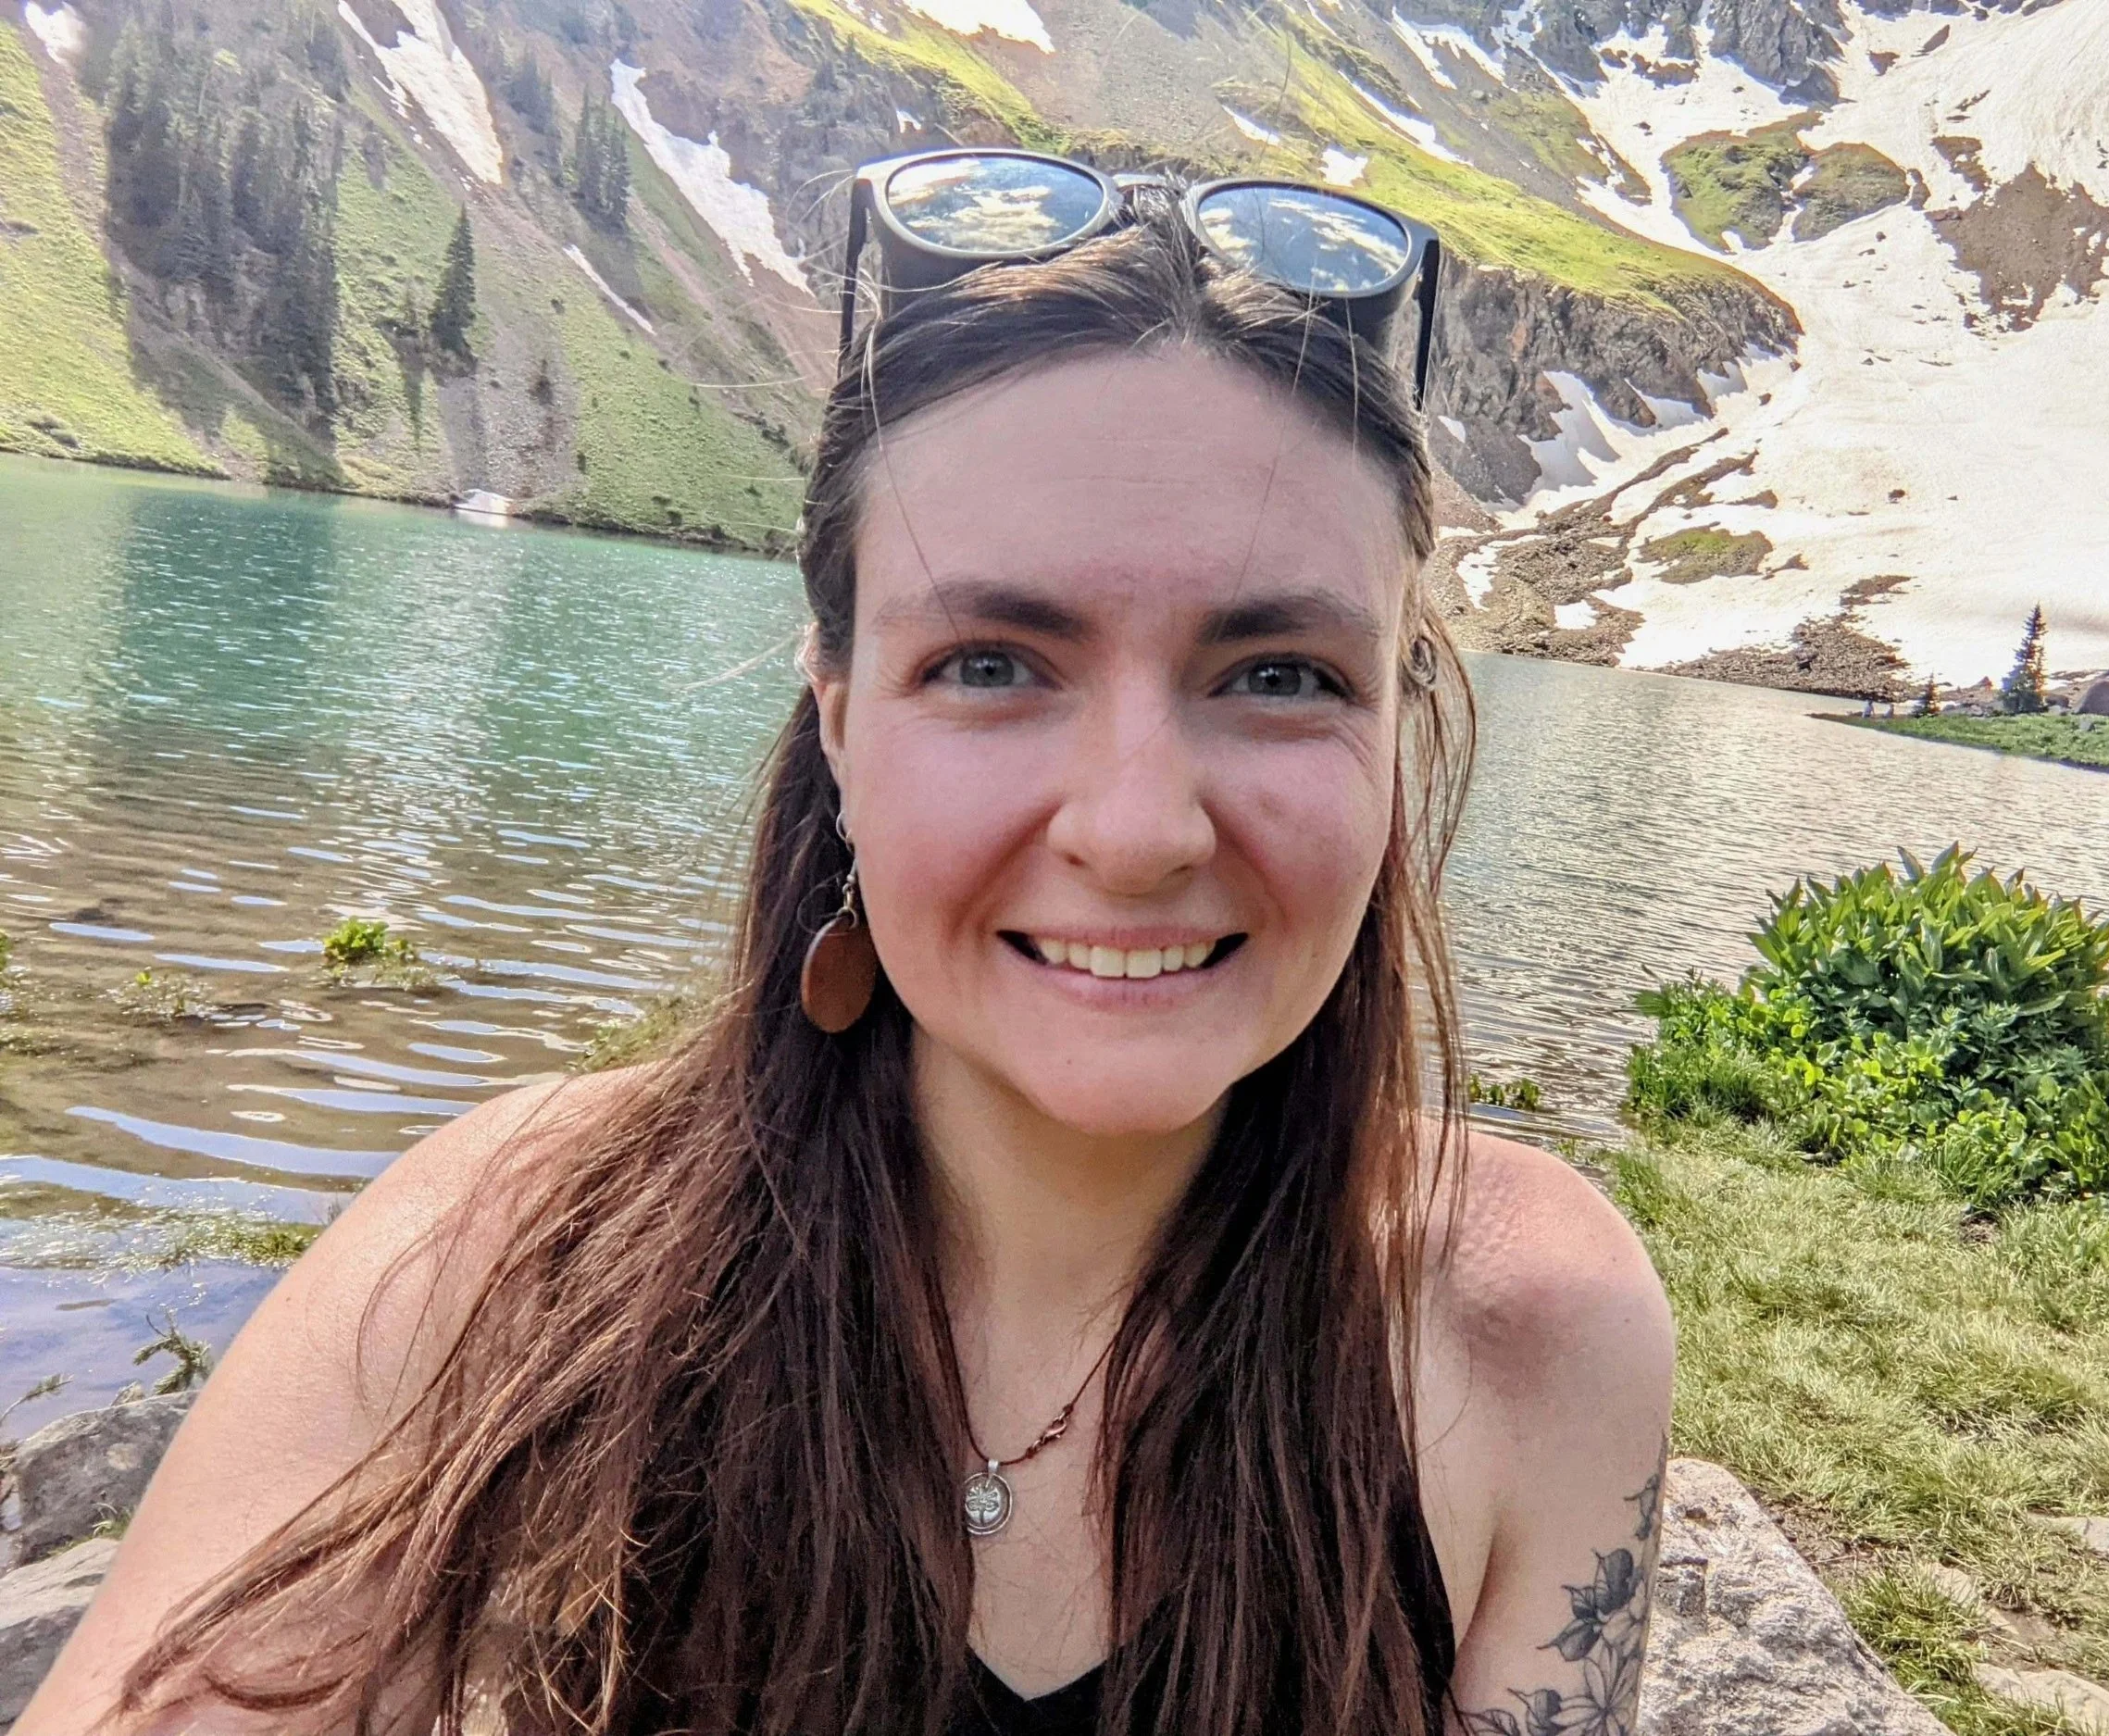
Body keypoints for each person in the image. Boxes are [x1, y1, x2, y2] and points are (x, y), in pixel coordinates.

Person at [19, 157, 1672, 1736]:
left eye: (1283, 674)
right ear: (835, 707)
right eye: (992, 661)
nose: (1138, 825)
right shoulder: (509, 1268)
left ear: (1399, 726)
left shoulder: (1531, 1332)